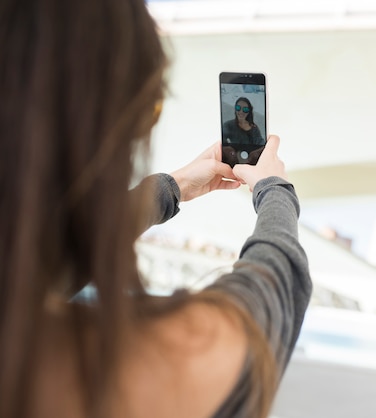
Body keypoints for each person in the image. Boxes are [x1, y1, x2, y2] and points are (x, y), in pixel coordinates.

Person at [0, 1, 311, 418]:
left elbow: (57, 251)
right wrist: (275, 190)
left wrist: (175, 186)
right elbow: (275, 287)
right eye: (149, 108)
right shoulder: (126, 370)